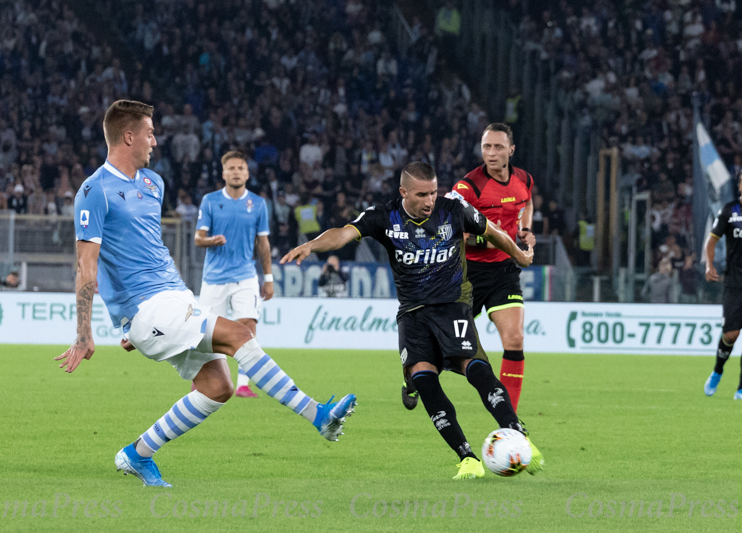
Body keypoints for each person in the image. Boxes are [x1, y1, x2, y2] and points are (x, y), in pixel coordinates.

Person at [58, 100, 356, 487]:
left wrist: (173, 304)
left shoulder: (152, 183)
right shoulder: (94, 191)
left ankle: (137, 453)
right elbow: (87, 265)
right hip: (145, 308)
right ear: (128, 136)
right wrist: (91, 329)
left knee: (219, 387)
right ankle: (317, 414)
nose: (155, 140)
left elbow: (149, 248)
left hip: (171, 297)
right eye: (149, 132)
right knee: (240, 335)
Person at [281, 161, 543, 479]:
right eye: (421, 194)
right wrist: (311, 245)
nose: (429, 200)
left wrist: (518, 254)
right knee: (424, 379)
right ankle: (468, 458)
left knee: (475, 369)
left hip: (452, 306)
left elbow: (492, 232)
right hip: (412, 313)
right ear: (404, 192)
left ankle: (518, 436)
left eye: (433, 192)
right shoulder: (384, 216)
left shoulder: (453, 209)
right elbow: (344, 234)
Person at [446, 123, 535, 413]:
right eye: (486, 147)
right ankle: (414, 375)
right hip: (467, 273)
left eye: (498, 147)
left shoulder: (524, 179)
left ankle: (511, 422)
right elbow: (451, 232)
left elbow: (526, 202)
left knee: (515, 338)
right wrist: (498, 243)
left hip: (503, 273)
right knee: (442, 342)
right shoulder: (467, 187)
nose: (491, 153)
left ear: (511, 150)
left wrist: (524, 229)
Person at [194, 150, 274, 398]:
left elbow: (263, 243)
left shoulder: (259, 204)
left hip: (245, 277)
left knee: (248, 326)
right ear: (223, 173)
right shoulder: (209, 201)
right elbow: (198, 238)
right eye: (231, 168)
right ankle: (203, 380)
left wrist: (268, 278)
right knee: (205, 334)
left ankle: (243, 383)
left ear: (247, 173)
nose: (236, 172)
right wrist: (210, 241)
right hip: (214, 279)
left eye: (241, 168)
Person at [703, 170, 742, 400]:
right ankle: (718, 370)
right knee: (731, 334)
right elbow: (712, 239)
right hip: (735, 282)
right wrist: (709, 265)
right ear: (739, 186)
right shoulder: (729, 210)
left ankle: (741, 388)